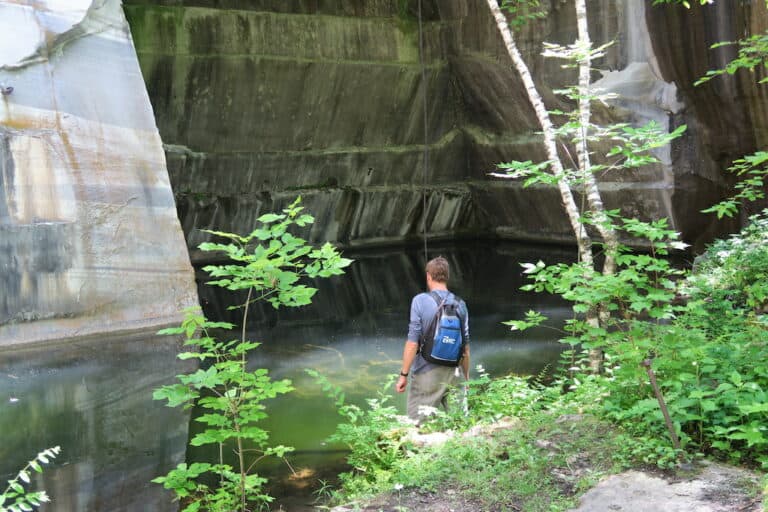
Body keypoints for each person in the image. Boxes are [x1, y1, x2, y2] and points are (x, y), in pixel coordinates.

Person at [395, 256, 470, 422]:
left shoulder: (420, 301)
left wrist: (403, 375)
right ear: (447, 277)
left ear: (428, 276)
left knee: (417, 427)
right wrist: (466, 378)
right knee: (459, 426)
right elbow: (465, 348)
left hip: (426, 372)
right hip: (454, 373)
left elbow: (413, 342)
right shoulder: (461, 304)